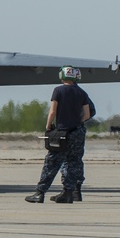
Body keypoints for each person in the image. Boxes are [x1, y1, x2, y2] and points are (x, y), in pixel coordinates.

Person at [25, 66, 91, 204]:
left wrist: (48, 126)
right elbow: (87, 114)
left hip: (62, 133)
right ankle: (68, 193)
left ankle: (40, 192)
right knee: (74, 162)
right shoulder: (82, 92)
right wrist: (77, 121)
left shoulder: (58, 90)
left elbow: (53, 111)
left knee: (52, 162)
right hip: (77, 132)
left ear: (62, 75)